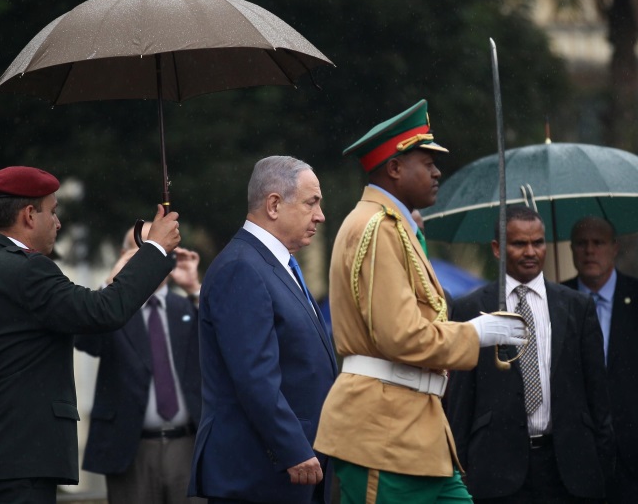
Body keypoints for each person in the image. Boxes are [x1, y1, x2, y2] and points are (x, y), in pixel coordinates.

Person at [313, 100, 526, 503]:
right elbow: (402, 337)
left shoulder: (396, 227)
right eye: (426, 162)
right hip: (382, 433)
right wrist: (474, 334)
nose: (437, 171)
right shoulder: (378, 228)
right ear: (394, 168)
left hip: (411, 432)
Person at [0, 166, 180, 503]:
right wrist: (154, 250)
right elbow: (102, 312)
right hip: (21, 461)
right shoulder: (28, 269)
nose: (58, 222)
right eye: (53, 211)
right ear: (28, 215)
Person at [188, 156, 338, 504]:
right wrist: (293, 449)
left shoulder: (273, 263)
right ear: (274, 204)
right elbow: (254, 376)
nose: (320, 215)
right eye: (311, 203)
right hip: (262, 473)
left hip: (290, 470)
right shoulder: (242, 267)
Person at [446, 205, 615, 503]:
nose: (530, 252)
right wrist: (461, 473)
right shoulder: (470, 309)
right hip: (496, 473)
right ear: (497, 249)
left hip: (569, 471)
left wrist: (601, 466)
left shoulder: (577, 307)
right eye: (519, 244)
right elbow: (460, 403)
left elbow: (598, 398)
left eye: (537, 242)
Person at [75, 222, 206, 504]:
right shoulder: (111, 311)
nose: (153, 258)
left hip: (186, 444)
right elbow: (86, 341)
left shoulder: (184, 307)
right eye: (143, 250)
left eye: (160, 249)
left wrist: (195, 289)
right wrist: (110, 287)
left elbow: (221, 346)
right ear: (124, 256)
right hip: (129, 448)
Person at [563, 216, 638, 503]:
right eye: (582, 243)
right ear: (571, 249)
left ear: (614, 247)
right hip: (577, 458)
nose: (590, 251)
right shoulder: (556, 301)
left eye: (598, 243)